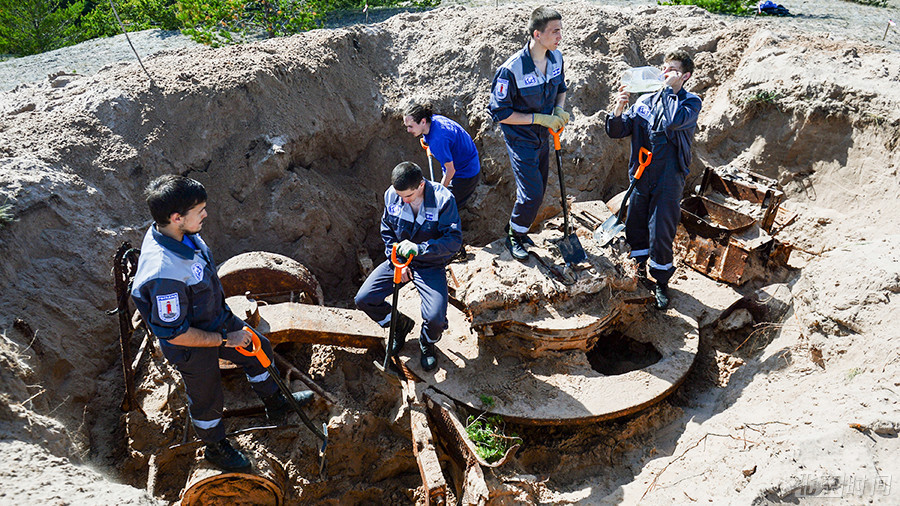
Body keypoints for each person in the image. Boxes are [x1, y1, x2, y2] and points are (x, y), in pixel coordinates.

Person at [131, 175, 313, 471]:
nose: (205, 214)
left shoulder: (180, 234)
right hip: (191, 344)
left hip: (213, 318)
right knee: (207, 396)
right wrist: (225, 340)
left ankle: (275, 402)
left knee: (257, 347)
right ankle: (215, 446)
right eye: (199, 210)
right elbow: (176, 335)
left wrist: (230, 328)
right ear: (177, 218)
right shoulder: (165, 275)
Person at [605, 50, 702, 310]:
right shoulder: (645, 101)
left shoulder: (690, 102)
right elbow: (618, 130)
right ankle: (637, 272)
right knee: (635, 224)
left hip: (669, 177)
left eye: (672, 70)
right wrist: (618, 108)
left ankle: (660, 282)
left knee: (661, 230)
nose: (665, 73)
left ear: (686, 76)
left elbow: (672, 122)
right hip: (641, 173)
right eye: (664, 68)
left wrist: (670, 90)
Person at [355, 162, 462, 372]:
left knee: (435, 318)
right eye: (399, 195)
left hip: (430, 263)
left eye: (408, 196)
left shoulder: (443, 200)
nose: (403, 200)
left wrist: (420, 249)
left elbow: (453, 241)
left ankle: (427, 342)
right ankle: (399, 325)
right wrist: (396, 260)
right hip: (399, 258)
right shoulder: (392, 195)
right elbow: (387, 230)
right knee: (364, 299)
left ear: (421, 185)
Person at [488, 6, 571, 261]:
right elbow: (501, 114)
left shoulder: (556, 58)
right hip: (520, 137)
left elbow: (561, 88)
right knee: (532, 192)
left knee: (540, 187)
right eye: (554, 31)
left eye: (560, 30)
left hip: (543, 135)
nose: (560, 36)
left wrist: (558, 111)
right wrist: (538, 118)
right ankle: (514, 235)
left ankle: (519, 229)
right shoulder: (511, 70)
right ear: (537, 34)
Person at [402, 102, 481, 211]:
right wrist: (427, 140)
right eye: (407, 126)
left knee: (443, 209)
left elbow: (450, 170)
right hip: (468, 160)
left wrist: (438, 194)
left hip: (465, 175)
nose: (408, 130)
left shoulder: (438, 141)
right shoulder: (434, 120)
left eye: (411, 126)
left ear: (423, 121)